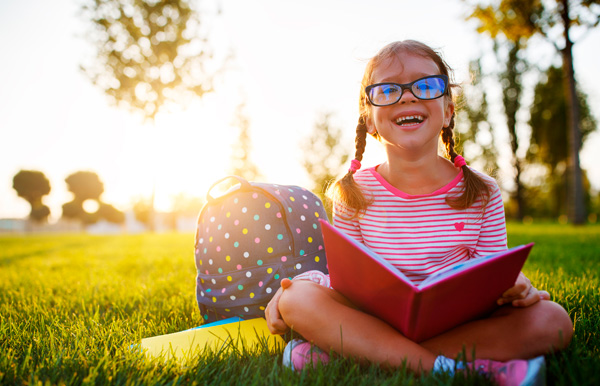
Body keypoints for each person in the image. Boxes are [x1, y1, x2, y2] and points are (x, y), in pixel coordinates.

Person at [265, 40, 573, 385]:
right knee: (297, 299)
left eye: (425, 86)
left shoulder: (483, 191)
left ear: (448, 110)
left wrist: (516, 288)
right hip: (374, 319)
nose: (408, 97)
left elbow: (493, 279)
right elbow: (344, 284)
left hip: (458, 323)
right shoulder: (352, 193)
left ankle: (358, 353)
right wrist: (302, 285)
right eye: (388, 90)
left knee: (553, 320)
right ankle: (452, 367)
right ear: (369, 119)